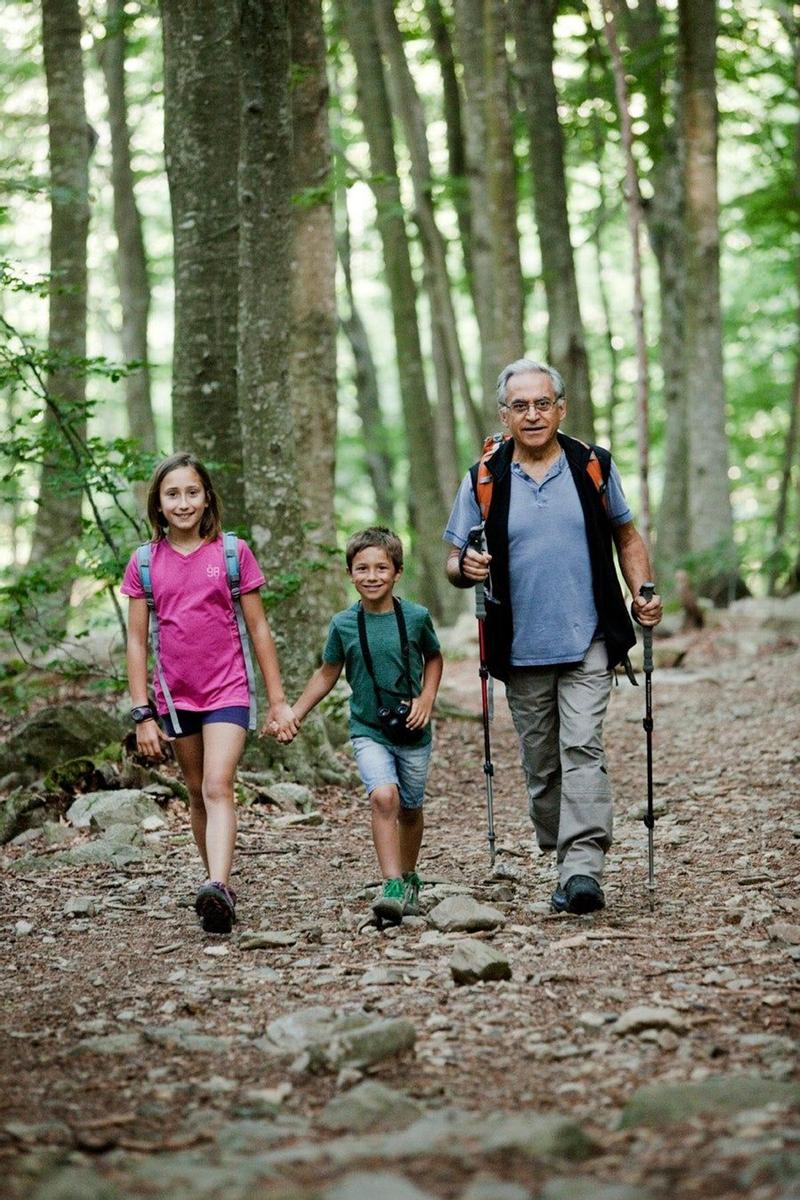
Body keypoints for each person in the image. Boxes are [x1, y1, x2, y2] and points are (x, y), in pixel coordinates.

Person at [444, 359, 662, 914]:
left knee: (582, 747)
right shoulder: (484, 477)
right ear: (505, 414)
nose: (533, 414)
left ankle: (583, 867)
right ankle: (561, 852)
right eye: (521, 406)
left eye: (543, 403)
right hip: (518, 647)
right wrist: (463, 565)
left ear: (561, 407)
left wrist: (643, 591)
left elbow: (627, 537)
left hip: (588, 636)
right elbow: (452, 558)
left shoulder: (592, 465)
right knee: (541, 766)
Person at [121, 452, 298, 934]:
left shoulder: (230, 554)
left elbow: (259, 629)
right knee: (198, 791)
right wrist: (143, 714)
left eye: (192, 492)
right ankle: (212, 886)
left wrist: (279, 701)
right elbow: (137, 641)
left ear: (207, 498)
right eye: (172, 494)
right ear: (158, 504)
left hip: (228, 690)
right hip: (175, 698)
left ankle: (219, 885)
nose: (183, 502)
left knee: (219, 785)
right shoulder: (144, 562)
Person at [276, 527, 443, 926]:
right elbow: (327, 672)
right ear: (349, 573)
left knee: (411, 808)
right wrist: (294, 713)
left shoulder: (417, 617)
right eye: (362, 568)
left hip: (413, 730)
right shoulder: (344, 624)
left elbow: (435, 658)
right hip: (368, 728)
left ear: (397, 572)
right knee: (384, 797)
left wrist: (426, 699)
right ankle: (391, 886)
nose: (371, 576)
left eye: (381, 568)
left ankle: (409, 873)